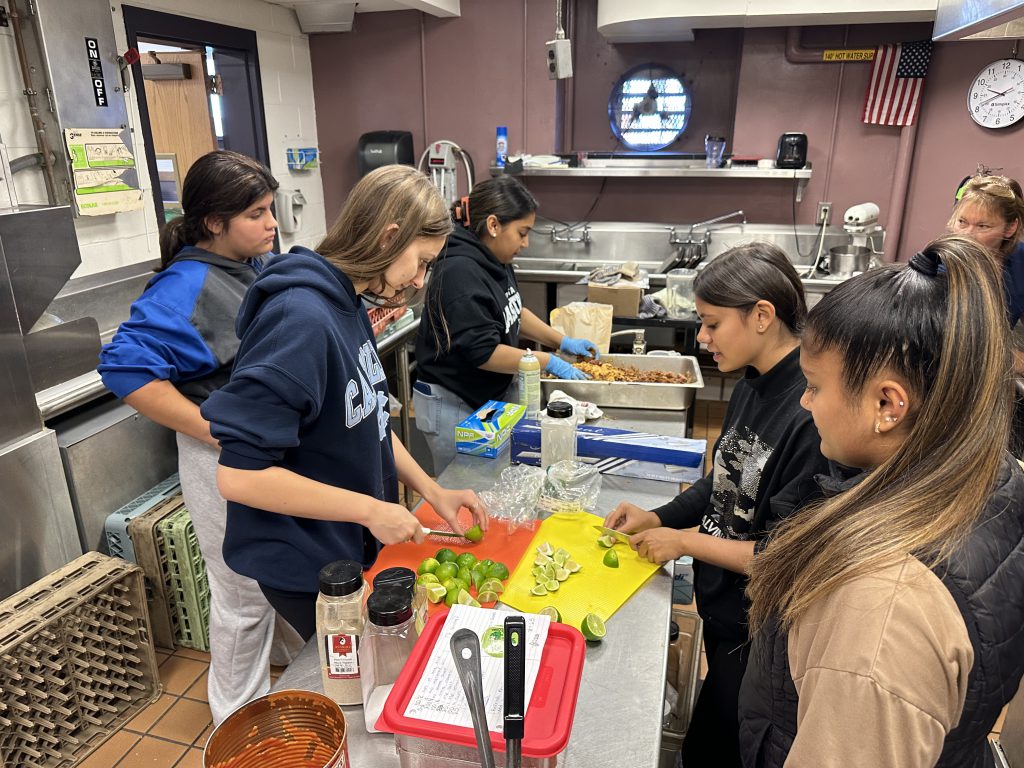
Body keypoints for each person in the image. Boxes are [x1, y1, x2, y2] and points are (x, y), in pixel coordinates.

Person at [738, 235, 1024, 768]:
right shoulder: (989, 474)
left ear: (888, 404)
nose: (805, 402)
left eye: (815, 386)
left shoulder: (878, 613)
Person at [200, 165, 486, 641]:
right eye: (420, 261)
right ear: (388, 237)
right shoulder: (301, 320)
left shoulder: (348, 301)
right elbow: (239, 477)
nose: (419, 280)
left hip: (342, 542)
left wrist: (431, 491)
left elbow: (367, 416)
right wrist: (370, 510)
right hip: (304, 561)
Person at [604, 243, 828, 768]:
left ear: (762, 316)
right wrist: (660, 517)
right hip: (723, 614)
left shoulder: (808, 414)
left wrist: (681, 542)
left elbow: (779, 555)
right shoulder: (752, 383)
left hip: (760, 630)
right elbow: (722, 481)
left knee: (725, 747)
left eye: (710, 324)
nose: (701, 338)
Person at [98, 150, 303, 724]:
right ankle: (236, 724)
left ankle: (297, 672)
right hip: (219, 459)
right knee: (240, 595)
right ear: (214, 222)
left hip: (267, 454)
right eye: (257, 214)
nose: (272, 224)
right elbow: (123, 368)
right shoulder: (184, 287)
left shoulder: (256, 265)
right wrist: (213, 427)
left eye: (271, 210)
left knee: (276, 577)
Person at [414, 176, 600, 472]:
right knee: (463, 486)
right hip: (452, 402)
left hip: (484, 398)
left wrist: (561, 341)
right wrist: (545, 360)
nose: (525, 243)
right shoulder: (459, 271)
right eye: (522, 233)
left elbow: (512, 311)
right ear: (493, 225)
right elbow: (483, 353)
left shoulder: (494, 258)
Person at [949, 173, 1024, 327]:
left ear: (1010, 227)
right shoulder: (936, 270)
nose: (967, 235)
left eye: (983, 226)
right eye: (962, 222)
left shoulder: (1020, 260)